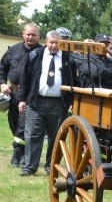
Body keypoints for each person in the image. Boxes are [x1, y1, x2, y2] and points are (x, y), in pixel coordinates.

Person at [16, 30, 76, 176]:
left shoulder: (69, 59)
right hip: (36, 102)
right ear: (46, 41)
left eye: (57, 43)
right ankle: (29, 167)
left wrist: (72, 101)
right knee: (32, 135)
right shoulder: (35, 55)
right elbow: (25, 79)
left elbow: (74, 81)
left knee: (56, 137)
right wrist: (22, 99)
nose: (54, 46)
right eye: (51, 42)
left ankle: (51, 166)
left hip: (59, 103)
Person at [0, 23, 42, 167]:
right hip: (14, 92)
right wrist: (2, 84)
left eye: (34, 35)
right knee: (14, 122)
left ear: (39, 36)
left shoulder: (43, 53)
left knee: (24, 124)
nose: (30, 37)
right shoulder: (13, 50)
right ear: (23, 34)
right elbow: (2, 68)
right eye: (28, 34)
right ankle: (21, 151)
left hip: (32, 94)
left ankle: (19, 153)